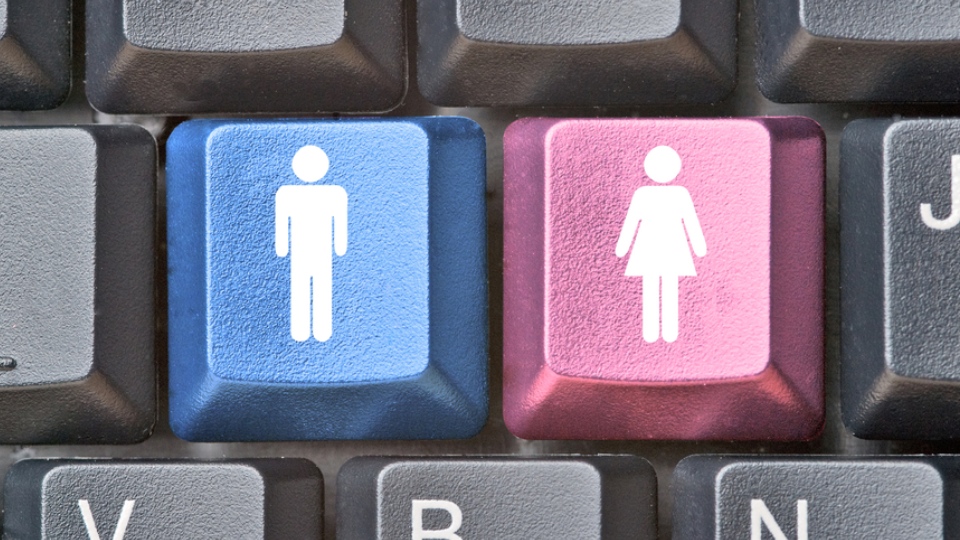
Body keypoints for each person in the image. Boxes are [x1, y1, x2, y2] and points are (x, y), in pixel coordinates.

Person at [615, 145, 706, 343]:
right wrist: (699, 248)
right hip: (663, 247)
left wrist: (622, 248)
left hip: (657, 247)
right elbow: (632, 222)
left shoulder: (668, 194)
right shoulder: (651, 194)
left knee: (663, 287)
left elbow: (690, 221)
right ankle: (658, 333)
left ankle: (662, 333)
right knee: (657, 287)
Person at [275, 145, 348, 342]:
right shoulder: (286, 193)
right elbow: (282, 223)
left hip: (321, 250)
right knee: (301, 287)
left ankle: (321, 331)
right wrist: (282, 247)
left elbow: (339, 223)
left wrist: (340, 246)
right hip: (301, 250)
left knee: (321, 286)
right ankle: (301, 331)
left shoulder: (335, 193)